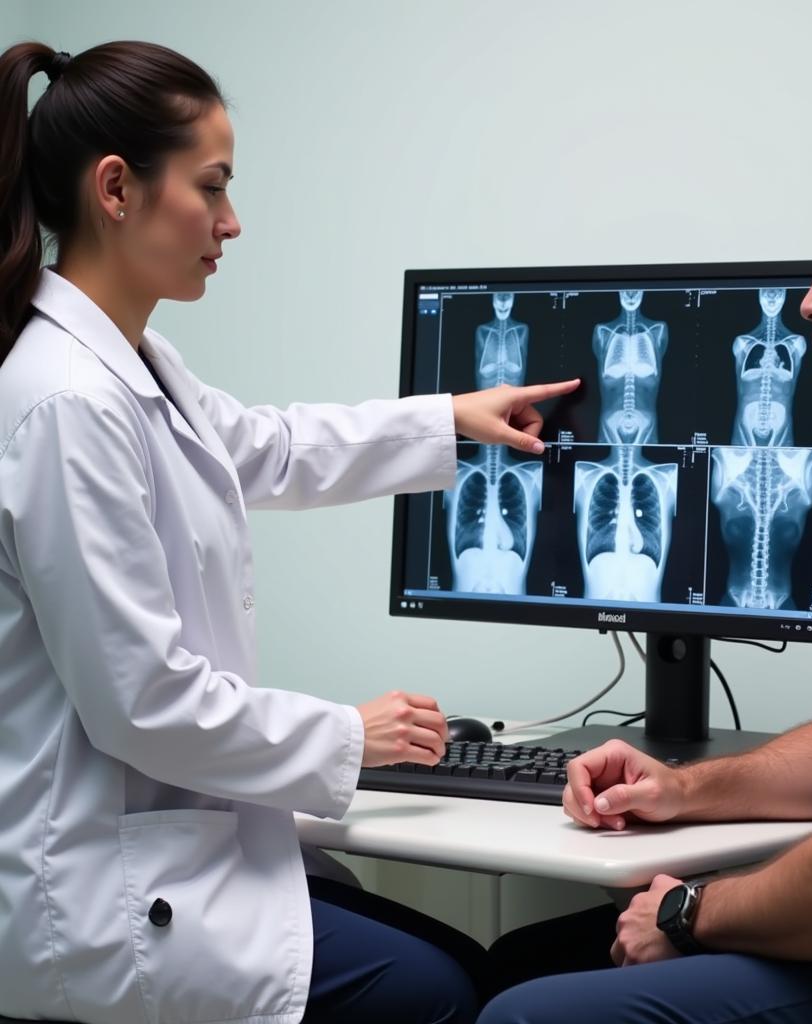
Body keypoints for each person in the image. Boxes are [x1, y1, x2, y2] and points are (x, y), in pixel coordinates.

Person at [0, 40, 578, 1024]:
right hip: (101, 900)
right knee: (440, 990)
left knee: (461, 963)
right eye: (212, 187)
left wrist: (450, 419)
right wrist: (351, 732)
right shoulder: (65, 403)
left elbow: (266, 446)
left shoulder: (132, 368)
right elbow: (143, 704)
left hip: (167, 854)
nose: (231, 223)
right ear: (116, 189)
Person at [479, 132, 812, 1023]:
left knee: (523, 1012)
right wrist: (677, 787)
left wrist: (693, 911)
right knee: (519, 961)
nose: (809, 303)